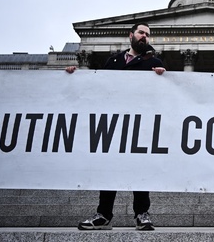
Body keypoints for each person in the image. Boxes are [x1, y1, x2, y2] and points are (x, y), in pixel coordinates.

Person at [66, 22, 166, 231]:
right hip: (113, 123)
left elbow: (165, 95)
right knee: (109, 167)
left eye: (147, 34)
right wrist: (75, 77)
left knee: (139, 168)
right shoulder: (112, 61)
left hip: (140, 124)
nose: (144, 37)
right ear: (131, 35)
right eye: (141, 32)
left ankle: (141, 214)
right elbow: (98, 85)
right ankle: (103, 215)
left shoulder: (154, 62)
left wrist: (164, 78)